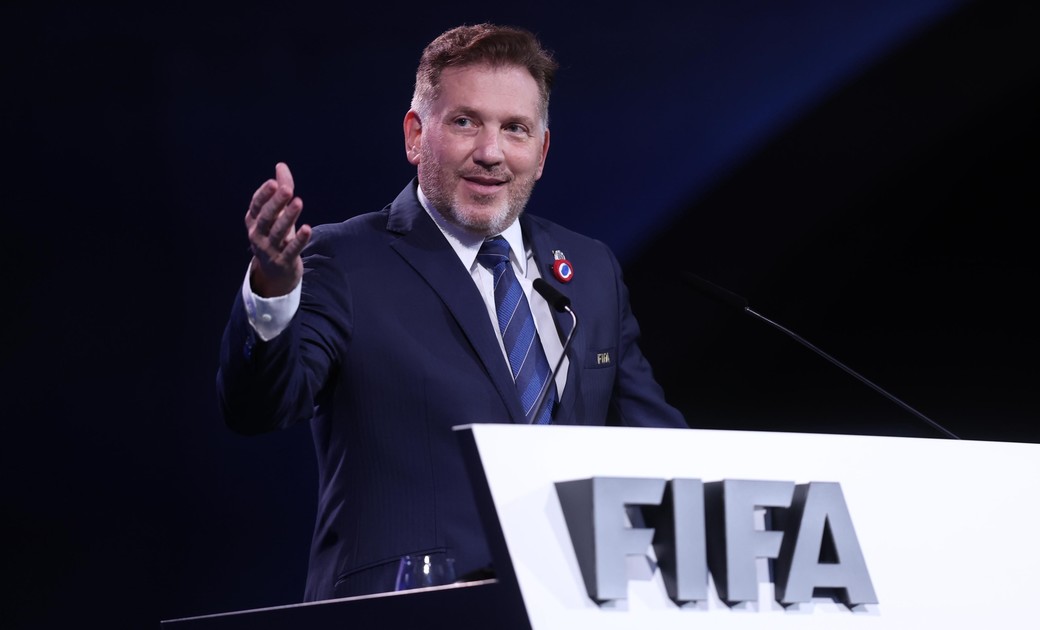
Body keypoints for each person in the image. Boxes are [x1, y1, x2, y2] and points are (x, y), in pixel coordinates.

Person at [216, 22, 688, 602]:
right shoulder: (346, 259)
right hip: (407, 608)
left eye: (515, 128)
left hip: (567, 604)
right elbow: (259, 406)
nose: (491, 153)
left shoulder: (589, 271)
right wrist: (272, 290)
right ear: (416, 135)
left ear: (541, 152)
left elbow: (662, 451)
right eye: (465, 122)